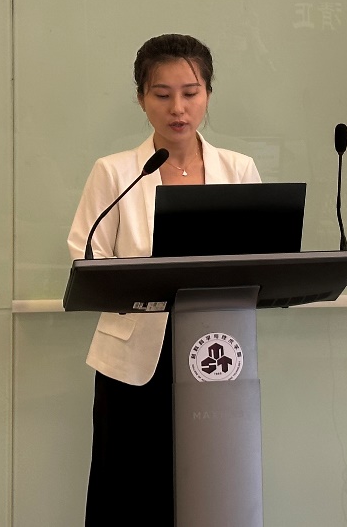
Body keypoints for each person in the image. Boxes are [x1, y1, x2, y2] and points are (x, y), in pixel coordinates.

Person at [66, 34, 261, 526]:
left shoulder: (238, 170)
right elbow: (86, 254)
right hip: (134, 358)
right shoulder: (114, 172)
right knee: (129, 489)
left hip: (216, 350)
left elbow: (260, 258)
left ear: (208, 94)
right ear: (141, 98)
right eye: (162, 94)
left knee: (212, 483)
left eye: (191, 92)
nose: (178, 108)